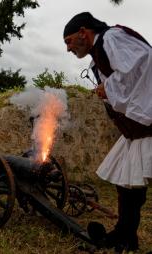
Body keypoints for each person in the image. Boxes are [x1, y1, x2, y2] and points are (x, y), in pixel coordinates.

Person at [63, 12, 152, 252]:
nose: (68, 48)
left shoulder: (112, 38)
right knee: (127, 185)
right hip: (137, 130)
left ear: (83, 32)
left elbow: (142, 63)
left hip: (148, 123)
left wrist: (107, 88)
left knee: (131, 187)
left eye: (69, 41)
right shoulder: (99, 53)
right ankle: (125, 236)